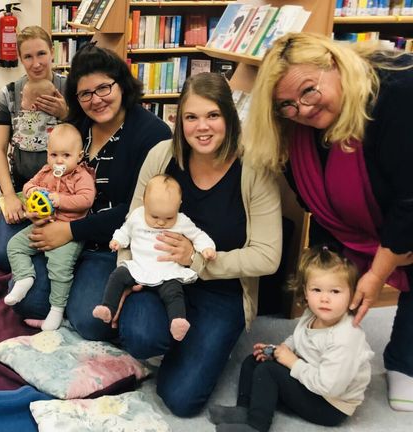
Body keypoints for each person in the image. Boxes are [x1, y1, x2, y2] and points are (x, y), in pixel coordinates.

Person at [243, 33, 413, 411]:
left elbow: (409, 199)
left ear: (333, 65)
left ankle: (405, 361)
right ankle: (324, 350)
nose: (301, 110)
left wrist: (376, 273)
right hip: (343, 217)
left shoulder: (398, 94)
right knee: (330, 282)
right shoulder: (294, 129)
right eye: (285, 105)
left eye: (308, 92)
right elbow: (311, 199)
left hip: (405, 198)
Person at [112, 72, 281, 417]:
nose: (202, 127)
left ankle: (202, 344)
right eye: (191, 117)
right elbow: (132, 222)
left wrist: (198, 261)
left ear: (229, 118)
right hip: (159, 277)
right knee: (141, 335)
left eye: (213, 115)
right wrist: (126, 276)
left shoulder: (254, 169)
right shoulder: (162, 156)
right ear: (178, 121)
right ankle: (175, 339)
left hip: (222, 290)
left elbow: (268, 256)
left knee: (181, 400)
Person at [0, 44, 172, 335]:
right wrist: (37, 203)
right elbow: (51, 175)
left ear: (122, 85)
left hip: (109, 245)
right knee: (23, 298)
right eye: (86, 94)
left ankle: (86, 291)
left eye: (104, 88)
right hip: (62, 231)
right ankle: (67, 285)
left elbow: (137, 211)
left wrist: (70, 232)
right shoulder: (78, 126)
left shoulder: (152, 134)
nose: (97, 100)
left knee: (90, 323)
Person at [209, 247, 373, 432]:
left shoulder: (346, 338)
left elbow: (329, 387)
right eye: (317, 290)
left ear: (352, 294)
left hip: (330, 405)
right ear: (306, 291)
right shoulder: (312, 314)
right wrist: (279, 351)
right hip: (310, 377)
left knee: (269, 372)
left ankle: (257, 425)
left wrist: (293, 363)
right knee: (255, 360)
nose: (324, 298)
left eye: (335, 292)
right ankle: (245, 410)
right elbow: (297, 338)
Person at [93, 174, 216, 342]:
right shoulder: (137, 216)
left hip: (166, 270)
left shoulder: (182, 221)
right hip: (138, 266)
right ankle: (108, 307)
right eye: (155, 217)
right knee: (117, 276)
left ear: (178, 206)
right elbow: (124, 231)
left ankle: (177, 320)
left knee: (174, 291)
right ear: (144, 202)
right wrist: (117, 241)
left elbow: (198, 236)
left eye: (169, 218)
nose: (161, 223)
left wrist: (207, 248)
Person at [5, 124, 95, 331]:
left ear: (79, 156)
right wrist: (34, 191)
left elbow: (86, 200)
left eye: (66, 155)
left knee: (59, 268)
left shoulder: (82, 177)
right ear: (47, 155)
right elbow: (28, 186)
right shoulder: (46, 172)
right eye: (54, 154)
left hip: (68, 231)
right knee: (14, 245)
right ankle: (24, 277)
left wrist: (59, 199)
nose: (59, 160)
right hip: (43, 224)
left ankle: (56, 310)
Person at [0, 26, 69, 230]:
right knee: (4, 253)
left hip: (65, 188)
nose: (36, 64)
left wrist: (66, 114)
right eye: (28, 56)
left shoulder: (70, 89)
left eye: (42, 53)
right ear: (20, 58)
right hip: (21, 187)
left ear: (52, 52)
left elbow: (88, 139)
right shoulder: (9, 94)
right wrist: (9, 196)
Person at [7, 78, 61, 188]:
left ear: (32, 107)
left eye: (22, 99)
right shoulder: (54, 118)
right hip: (47, 164)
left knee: (22, 188)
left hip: (23, 164)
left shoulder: (22, 118)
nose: (20, 102)